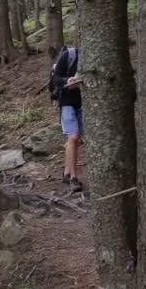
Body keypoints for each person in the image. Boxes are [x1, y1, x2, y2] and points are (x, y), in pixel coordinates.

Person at [52, 45, 83, 192]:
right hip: (66, 102)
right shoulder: (69, 55)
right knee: (74, 137)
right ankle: (73, 178)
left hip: (83, 103)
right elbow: (55, 78)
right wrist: (67, 80)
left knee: (73, 141)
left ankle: (66, 173)